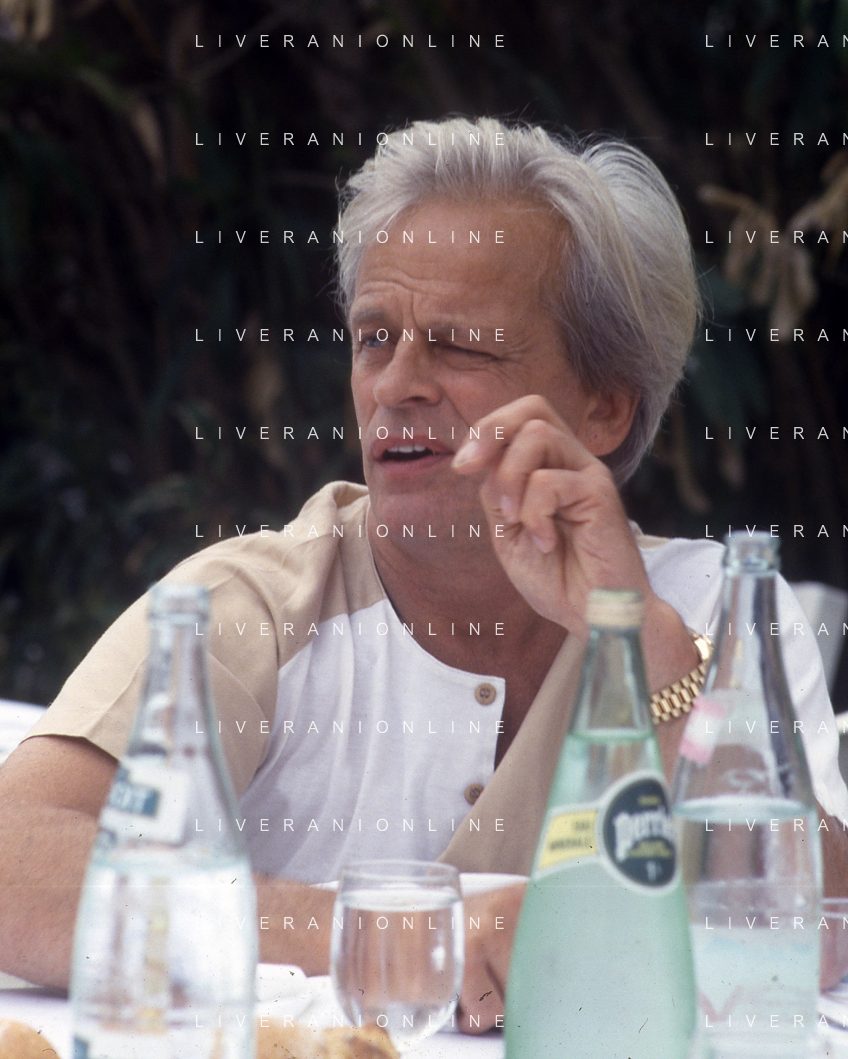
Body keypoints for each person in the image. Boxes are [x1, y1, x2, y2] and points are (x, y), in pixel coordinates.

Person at [1, 117, 846, 1028]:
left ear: (604, 408)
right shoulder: (246, 606)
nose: (395, 384)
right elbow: (15, 858)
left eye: (461, 344)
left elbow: (816, 917)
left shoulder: (719, 610)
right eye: (374, 338)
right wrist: (393, 932)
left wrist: (639, 635)